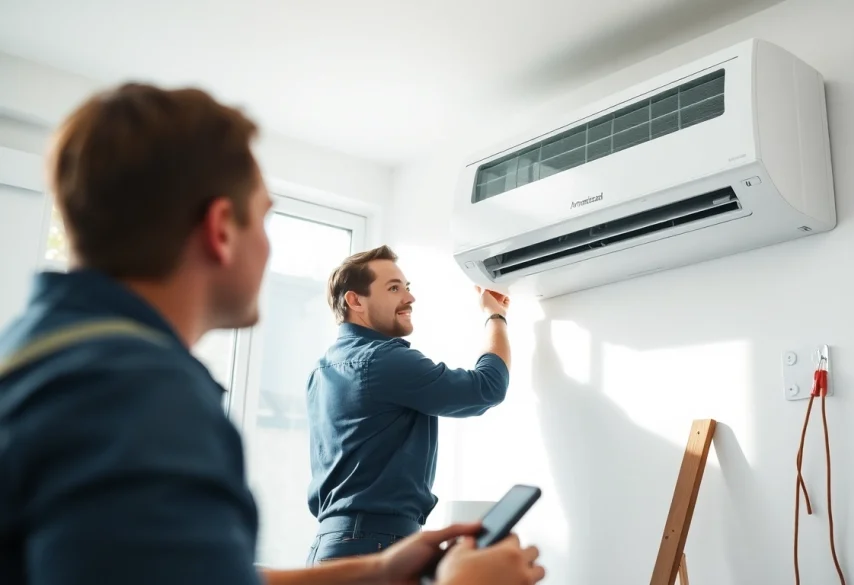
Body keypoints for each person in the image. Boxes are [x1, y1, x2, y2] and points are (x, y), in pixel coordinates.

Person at [0, 82, 544, 585]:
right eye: (264, 218)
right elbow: (481, 389)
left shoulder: (49, 361)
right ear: (219, 230)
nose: (268, 246)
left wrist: (376, 570)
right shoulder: (142, 399)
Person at [305, 247, 512, 563]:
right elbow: (487, 388)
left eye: (407, 287)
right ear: (355, 301)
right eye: (393, 288)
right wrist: (495, 316)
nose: (410, 298)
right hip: (372, 546)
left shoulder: (322, 370)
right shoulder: (384, 361)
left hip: (331, 546)